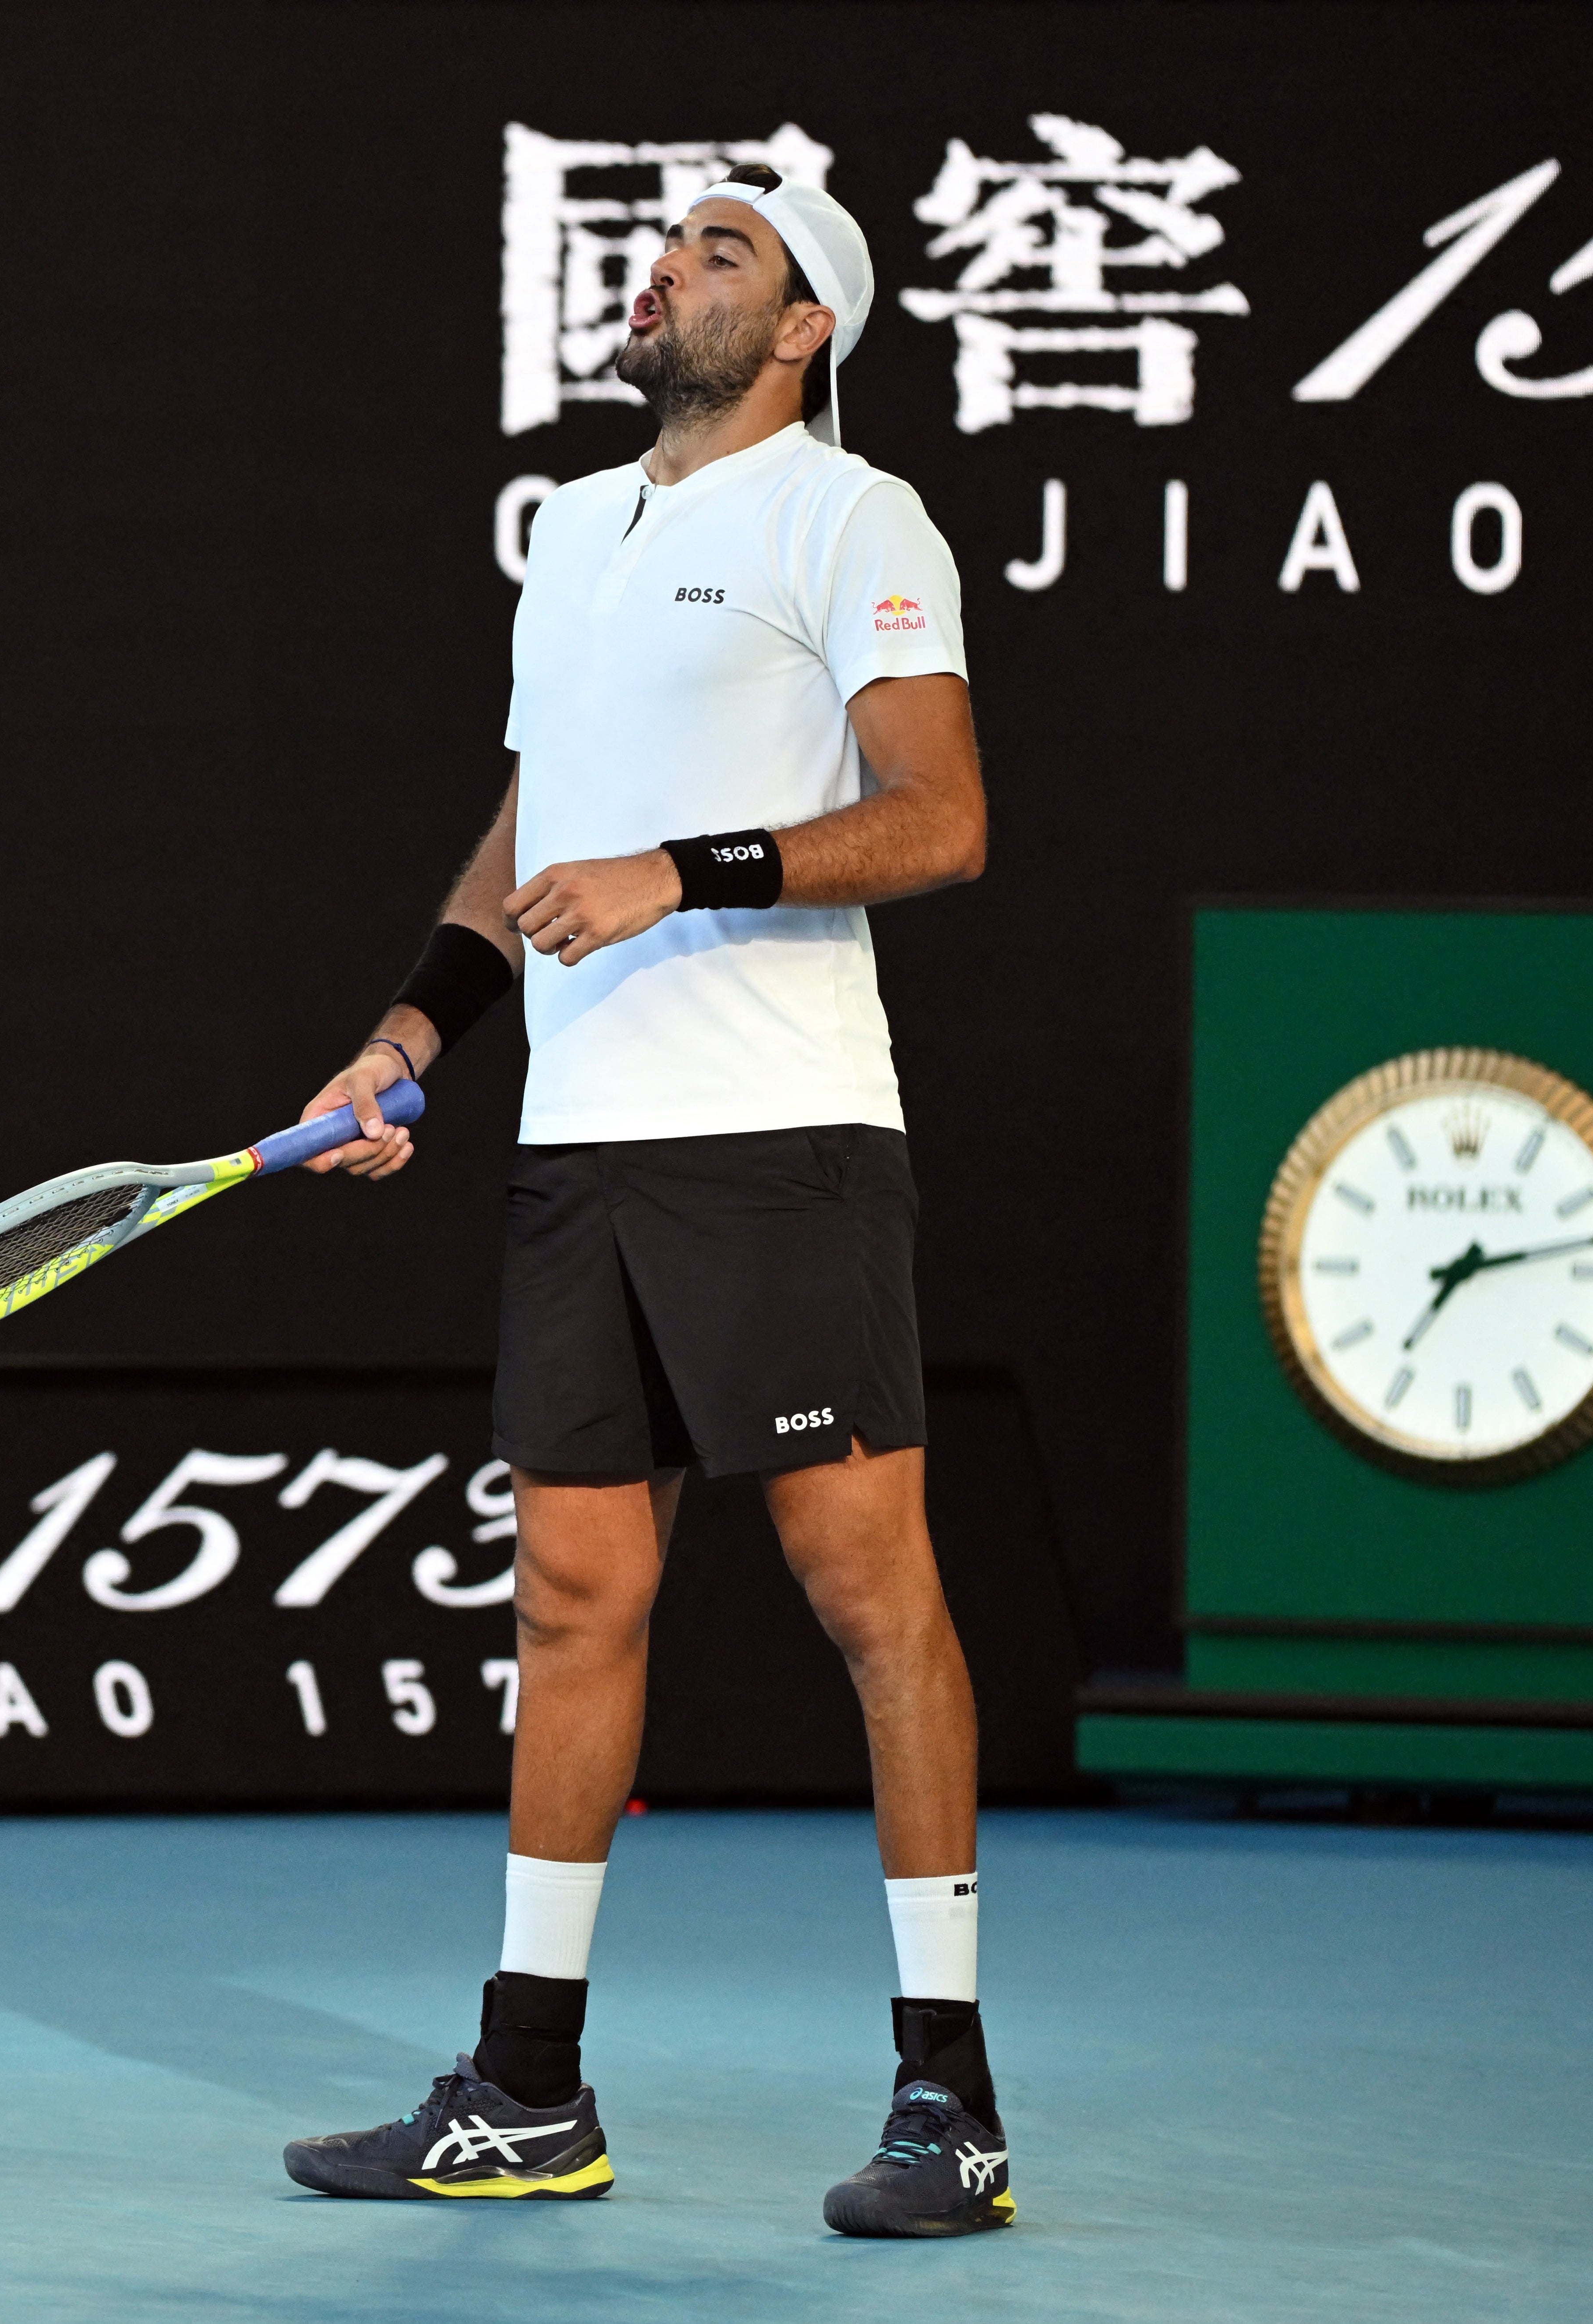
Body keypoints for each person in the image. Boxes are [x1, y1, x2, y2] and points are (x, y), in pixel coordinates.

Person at [274, 168, 1005, 2237]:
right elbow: (532, 829)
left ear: (799, 333)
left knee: (874, 1606)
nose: (667, 269)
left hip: (780, 1141)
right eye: (665, 241)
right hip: (577, 1149)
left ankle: (946, 2098)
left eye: (721, 254)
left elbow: (938, 822)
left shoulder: (851, 522)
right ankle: (523, 2088)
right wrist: (412, 1033)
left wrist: (687, 872)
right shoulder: (575, 533)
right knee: (569, 1603)